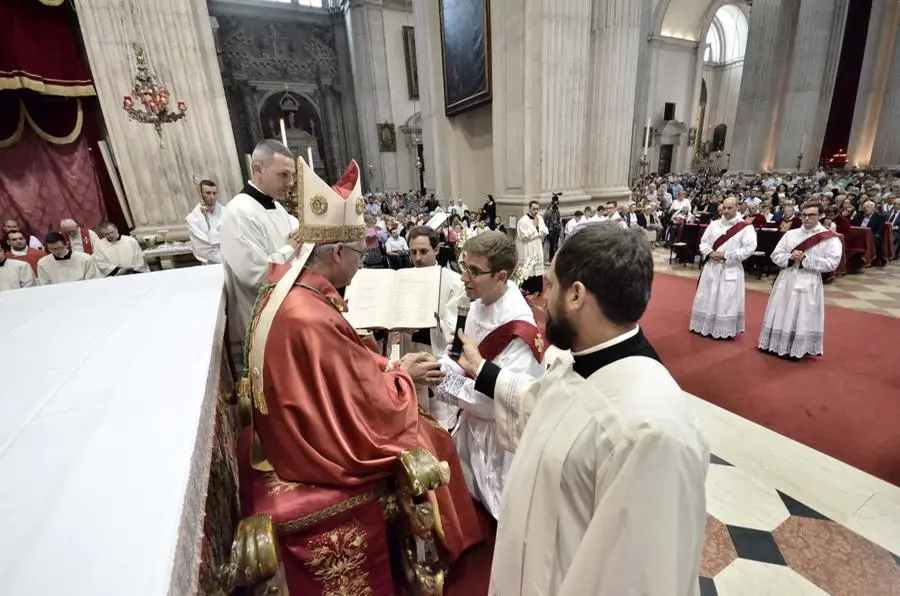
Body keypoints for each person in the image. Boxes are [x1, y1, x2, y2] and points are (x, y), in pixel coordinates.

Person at [239, 158, 483, 571]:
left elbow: (337, 370)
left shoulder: (289, 290)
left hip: (288, 428)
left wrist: (380, 362)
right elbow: (367, 406)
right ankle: (444, 554)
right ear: (335, 252)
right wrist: (403, 375)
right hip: (311, 450)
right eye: (359, 253)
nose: (362, 262)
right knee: (430, 435)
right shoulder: (308, 315)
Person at [453, 225, 709, 595]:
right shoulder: (582, 363)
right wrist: (481, 369)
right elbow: (537, 404)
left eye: (550, 286)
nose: (543, 301)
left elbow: (641, 580)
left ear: (576, 295)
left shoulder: (651, 432)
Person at [431, 231, 545, 518]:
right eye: (463, 265)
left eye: (474, 271)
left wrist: (442, 380)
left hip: (499, 441)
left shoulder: (520, 330)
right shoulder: (476, 304)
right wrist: (436, 367)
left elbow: (492, 402)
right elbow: (459, 358)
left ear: (501, 276)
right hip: (468, 429)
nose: (463, 277)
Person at [219, 140, 301, 348]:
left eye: (292, 175)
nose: (291, 182)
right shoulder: (239, 212)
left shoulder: (277, 207)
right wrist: (291, 248)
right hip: (260, 321)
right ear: (258, 170)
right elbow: (256, 276)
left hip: (287, 311)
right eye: (283, 174)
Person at [758, 200, 843, 360]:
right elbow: (775, 255)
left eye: (812, 215)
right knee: (781, 309)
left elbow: (832, 263)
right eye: (804, 215)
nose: (807, 218)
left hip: (808, 280)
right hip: (787, 277)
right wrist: (790, 257)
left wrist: (805, 259)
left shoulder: (829, 238)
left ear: (821, 216)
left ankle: (796, 349)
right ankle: (774, 343)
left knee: (801, 314)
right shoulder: (791, 234)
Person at [400, 226, 466, 429]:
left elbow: (456, 325)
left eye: (423, 251)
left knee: (439, 416)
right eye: (413, 252)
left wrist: (437, 322)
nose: (417, 258)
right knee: (415, 413)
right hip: (410, 348)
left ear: (436, 250)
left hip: (435, 351)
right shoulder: (404, 279)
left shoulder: (453, 281)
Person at [690, 197, 757, 338]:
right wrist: (710, 252)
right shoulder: (714, 224)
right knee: (707, 295)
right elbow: (703, 242)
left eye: (729, 208)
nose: (725, 211)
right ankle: (704, 324)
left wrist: (727, 255)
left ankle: (723, 330)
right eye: (724, 208)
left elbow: (750, 248)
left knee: (726, 299)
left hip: (730, 268)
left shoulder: (746, 227)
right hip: (712, 266)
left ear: (737, 207)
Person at [37, 232, 101, 285]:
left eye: (59, 248)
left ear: (66, 244)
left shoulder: (85, 258)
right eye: (52, 249)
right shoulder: (43, 263)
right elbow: (45, 285)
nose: (56, 252)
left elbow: (92, 280)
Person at [186, 179, 224, 264]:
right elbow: (202, 248)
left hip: (232, 261)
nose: (212, 197)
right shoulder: (193, 219)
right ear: (200, 194)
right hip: (211, 264)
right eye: (208, 193)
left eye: (214, 193)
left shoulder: (226, 212)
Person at [515, 200, 548, 295]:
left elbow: (545, 231)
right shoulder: (523, 221)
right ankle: (527, 288)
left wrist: (538, 229)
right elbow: (523, 236)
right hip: (528, 247)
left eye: (537, 209)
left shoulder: (540, 218)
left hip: (537, 245)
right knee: (528, 267)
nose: (536, 211)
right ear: (529, 208)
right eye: (534, 209)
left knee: (537, 268)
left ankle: (537, 289)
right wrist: (534, 227)